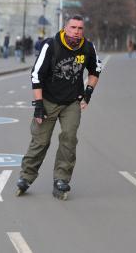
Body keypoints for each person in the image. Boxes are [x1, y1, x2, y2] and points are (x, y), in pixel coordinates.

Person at [16, 14, 102, 200]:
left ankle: (61, 179)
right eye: (73, 28)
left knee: (69, 139)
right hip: (48, 100)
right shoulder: (51, 45)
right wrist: (38, 105)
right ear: (65, 28)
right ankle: (26, 176)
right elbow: (36, 75)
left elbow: (96, 69)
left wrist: (88, 93)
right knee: (40, 141)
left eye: (80, 28)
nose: (76, 32)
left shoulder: (87, 47)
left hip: (71, 102)